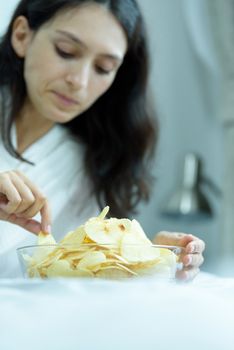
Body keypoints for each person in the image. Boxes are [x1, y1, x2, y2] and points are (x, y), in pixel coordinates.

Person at [0, 0, 205, 279]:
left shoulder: (91, 163)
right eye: (66, 51)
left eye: (103, 68)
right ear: (22, 36)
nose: (80, 81)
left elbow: (73, 270)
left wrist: (151, 256)